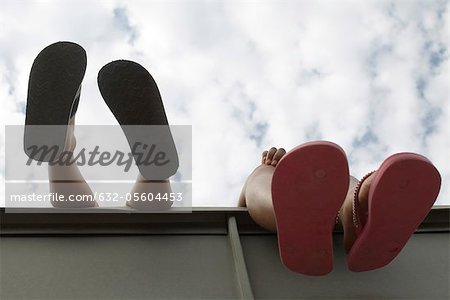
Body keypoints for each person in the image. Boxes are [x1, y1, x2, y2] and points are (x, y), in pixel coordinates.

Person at [238, 141, 441, 275]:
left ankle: (353, 208)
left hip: (316, 209)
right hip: (300, 207)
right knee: (262, 174)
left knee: (338, 179)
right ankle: (354, 208)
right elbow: (239, 212)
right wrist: (269, 169)